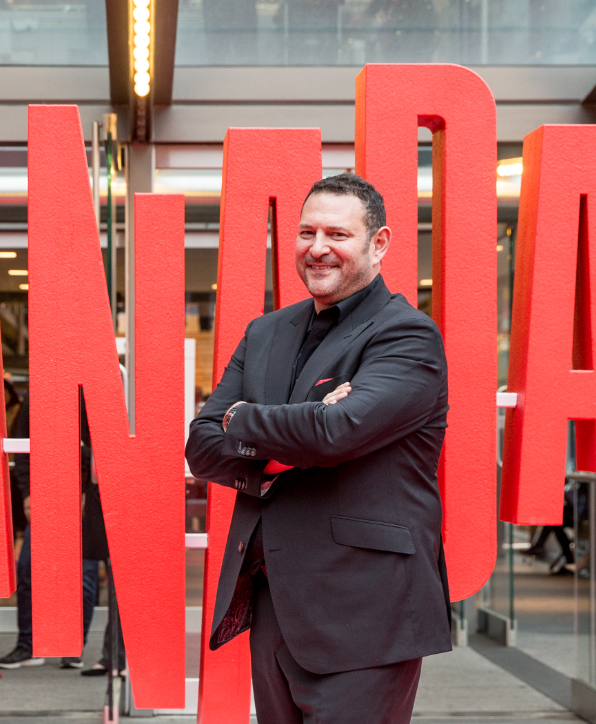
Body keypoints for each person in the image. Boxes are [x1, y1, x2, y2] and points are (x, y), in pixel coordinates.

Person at [185, 173, 452, 723]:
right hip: (275, 601)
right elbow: (203, 445)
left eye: (338, 234)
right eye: (307, 232)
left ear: (379, 243)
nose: (317, 248)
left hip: (367, 611)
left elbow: (336, 433)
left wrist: (244, 419)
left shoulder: (407, 335)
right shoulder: (266, 332)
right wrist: (296, 427)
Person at [0, 392, 107, 671]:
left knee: (84, 574)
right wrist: (27, 493)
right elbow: (23, 448)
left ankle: (72, 648)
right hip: (45, 493)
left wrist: (88, 492)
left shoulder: (93, 391)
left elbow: (102, 445)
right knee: (28, 569)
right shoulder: (37, 394)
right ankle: (28, 646)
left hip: (84, 497)